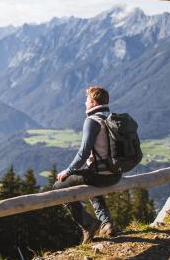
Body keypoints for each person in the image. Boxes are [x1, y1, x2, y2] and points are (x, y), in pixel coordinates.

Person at [54, 86, 121, 244]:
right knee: (91, 184)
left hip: (100, 176)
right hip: (116, 174)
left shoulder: (92, 121)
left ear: (93, 102)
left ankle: (87, 224)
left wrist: (68, 171)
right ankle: (107, 224)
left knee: (58, 187)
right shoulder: (112, 118)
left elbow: (83, 153)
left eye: (86, 100)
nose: (84, 103)